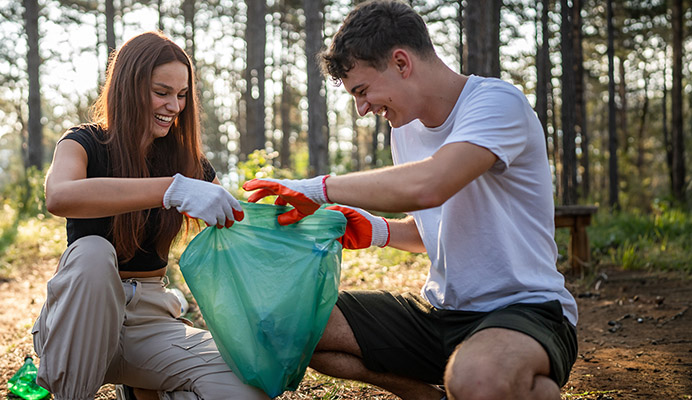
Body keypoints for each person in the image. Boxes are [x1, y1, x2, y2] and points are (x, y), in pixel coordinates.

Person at [242, 1, 578, 399]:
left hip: (525, 310)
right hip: (441, 315)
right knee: (292, 323)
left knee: (477, 379)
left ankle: (492, 377)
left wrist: (316, 188)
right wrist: (379, 230)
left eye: (362, 91)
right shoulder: (404, 127)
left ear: (401, 63)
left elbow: (432, 184)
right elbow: (430, 230)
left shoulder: (497, 104)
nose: (362, 109)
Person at [33, 31, 267, 400]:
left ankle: (143, 387)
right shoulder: (83, 143)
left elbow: (240, 228)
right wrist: (171, 190)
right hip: (80, 321)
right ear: (128, 87)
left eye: (182, 95)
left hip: (152, 319)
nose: (175, 106)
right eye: (162, 92)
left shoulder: (189, 163)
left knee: (247, 388)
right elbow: (59, 197)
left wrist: (299, 217)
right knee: (92, 252)